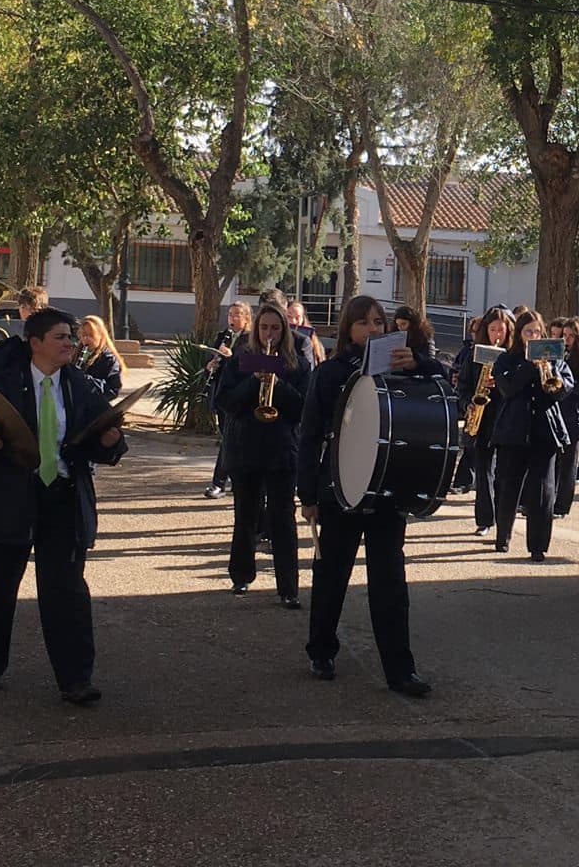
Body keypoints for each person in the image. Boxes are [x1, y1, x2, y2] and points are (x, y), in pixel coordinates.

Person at [0, 309, 128, 704]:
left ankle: (76, 679)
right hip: (11, 496)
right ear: (35, 343)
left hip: (62, 496)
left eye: (70, 337)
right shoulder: (2, 383)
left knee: (66, 589)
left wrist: (110, 444)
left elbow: (98, 436)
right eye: (60, 337)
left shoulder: (80, 385)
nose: (69, 343)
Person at [296, 296, 444, 697]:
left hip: (387, 490)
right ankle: (321, 652)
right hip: (341, 489)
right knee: (331, 576)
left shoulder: (402, 367)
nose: (373, 329)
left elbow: (443, 383)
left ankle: (400, 670)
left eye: (378, 322)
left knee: (390, 583)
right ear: (348, 328)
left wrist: (420, 363)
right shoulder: (330, 373)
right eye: (363, 323)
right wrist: (307, 494)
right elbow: (310, 435)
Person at [216, 302, 311, 606]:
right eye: (265, 327)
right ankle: (241, 576)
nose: (270, 334)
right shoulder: (241, 360)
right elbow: (225, 401)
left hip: (281, 449)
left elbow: (302, 409)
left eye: (276, 328)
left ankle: (288, 588)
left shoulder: (297, 364)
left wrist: (277, 384)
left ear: (285, 331)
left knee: (283, 518)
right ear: (256, 329)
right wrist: (253, 381)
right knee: (245, 514)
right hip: (245, 447)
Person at [482, 309, 575, 560]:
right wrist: (528, 365)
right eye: (527, 332)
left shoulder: (555, 359)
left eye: (537, 331)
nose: (533, 336)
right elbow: (507, 388)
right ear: (519, 335)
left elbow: (564, 388)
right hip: (513, 430)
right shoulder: (507, 359)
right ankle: (503, 537)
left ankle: (538, 546)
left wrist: (551, 372)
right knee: (508, 486)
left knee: (544, 490)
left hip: (545, 430)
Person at [453, 306, 514, 531]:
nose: (497, 334)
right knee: (483, 470)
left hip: (506, 417)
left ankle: (502, 517)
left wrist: (502, 382)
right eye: (492, 329)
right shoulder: (474, 355)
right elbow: (463, 386)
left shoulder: (514, 357)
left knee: (504, 473)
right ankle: (485, 520)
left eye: (501, 330)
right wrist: (468, 402)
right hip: (482, 418)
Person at [203, 301, 254, 499]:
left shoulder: (251, 339)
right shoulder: (222, 336)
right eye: (230, 314)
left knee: (230, 440)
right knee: (228, 439)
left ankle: (219, 483)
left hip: (241, 395)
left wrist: (232, 357)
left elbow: (253, 365)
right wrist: (210, 365)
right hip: (222, 394)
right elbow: (213, 360)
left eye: (237, 315)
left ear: (246, 318)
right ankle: (231, 480)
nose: (232, 318)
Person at [552, 316, 579, 518]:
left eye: (571, 336)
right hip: (558, 414)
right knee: (554, 461)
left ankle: (562, 506)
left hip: (574, 416)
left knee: (568, 464)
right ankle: (549, 500)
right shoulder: (561, 355)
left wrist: (566, 384)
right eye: (565, 335)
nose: (566, 339)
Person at [76, 314, 124, 397]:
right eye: (83, 335)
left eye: (91, 335)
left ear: (101, 335)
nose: (86, 338)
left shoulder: (108, 358)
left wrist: (85, 380)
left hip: (95, 402)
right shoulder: (74, 354)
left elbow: (113, 390)